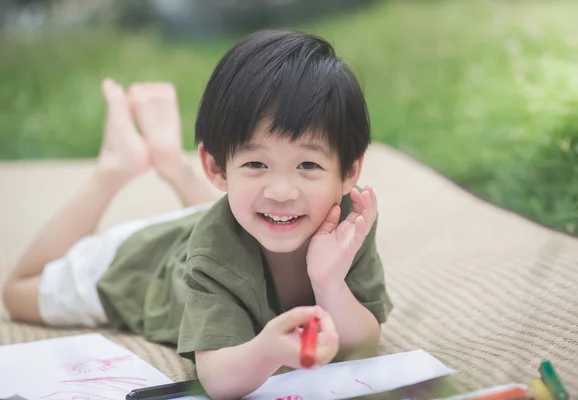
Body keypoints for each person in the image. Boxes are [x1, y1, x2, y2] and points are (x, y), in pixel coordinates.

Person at [2, 29, 393, 399]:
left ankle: (171, 163)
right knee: (18, 293)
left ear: (349, 172)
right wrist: (267, 350)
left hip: (221, 220)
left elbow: (363, 339)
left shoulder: (346, 219)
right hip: (140, 264)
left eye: (308, 165)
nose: (281, 192)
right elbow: (217, 376)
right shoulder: (210, 255)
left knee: (244, 209)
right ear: (216, 168)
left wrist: (329, 284)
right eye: (256, 163)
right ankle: (115, 168)